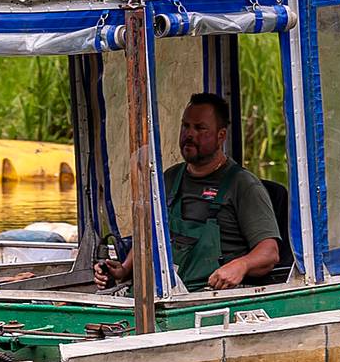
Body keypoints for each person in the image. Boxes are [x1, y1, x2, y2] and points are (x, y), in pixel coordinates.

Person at [95, 92, 284, 292]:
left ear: (221, 136)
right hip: (163, 295)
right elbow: (149, 235)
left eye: (200, 128)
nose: (189, 134)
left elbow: (270, 253)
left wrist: (241, 265)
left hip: (210, 299)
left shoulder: (243, 185)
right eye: (186, 126)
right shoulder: (169, 178)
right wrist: (124, 269)